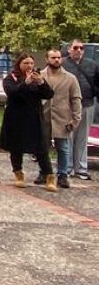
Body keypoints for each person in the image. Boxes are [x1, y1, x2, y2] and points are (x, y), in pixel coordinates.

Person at [0, 52, 54, 190]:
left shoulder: (37, 77)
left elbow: (48, 94)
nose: (29, 66)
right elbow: (12, 93)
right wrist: (25, 83)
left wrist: (41, 82)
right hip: (16, 118)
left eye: (31, 63)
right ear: (19, 64)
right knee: (16, 148)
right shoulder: (11, 78)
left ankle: (49, 176)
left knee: (41, 149)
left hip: (34, 117)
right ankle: (18, 174)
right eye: (26, 63)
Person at [41, 47, 82, 189]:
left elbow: (76, 99)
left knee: (63, 148)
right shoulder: (40, 76)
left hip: (63, 118)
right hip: (44, 117)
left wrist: (76, 119)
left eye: (58, 57)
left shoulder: (70, 78)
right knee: (42, 147)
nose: (57, 60)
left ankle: (63, 175)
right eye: (53, 57)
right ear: (47, 59)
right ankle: (44, 172)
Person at [64, 39, 98, 180]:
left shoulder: (92, 65)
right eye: (76, 47)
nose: (79, 50)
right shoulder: (63, 64)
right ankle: (67, 167)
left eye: (81, 48)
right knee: (68, 136)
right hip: (67, 105)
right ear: (69, 49)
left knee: (82, 138)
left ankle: (81, 168)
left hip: (87, 103)